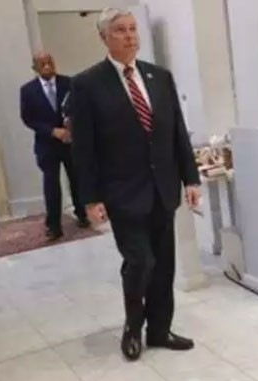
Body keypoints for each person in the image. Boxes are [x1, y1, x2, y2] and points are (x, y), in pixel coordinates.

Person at [70, 7, 201, 361]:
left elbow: (176, 132)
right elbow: (84, 149)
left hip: (163, 188)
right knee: (140, 261)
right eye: (120, 30)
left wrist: (190, 177)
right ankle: (133, 326)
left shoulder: (160, 77)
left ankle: (159, 330)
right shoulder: (87, 85)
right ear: (104, 37)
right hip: (122, 192)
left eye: (132, 29)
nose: (129, 36)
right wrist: (90, 198)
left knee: (164, 265)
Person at [20, 52, 89, 240]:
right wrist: (51, 131)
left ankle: (82, 214)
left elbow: (78, 107)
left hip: (69, 141)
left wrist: (71, 127)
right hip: (47, 145)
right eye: (42, 63)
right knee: (51, 185)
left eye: (50, 62)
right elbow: (28, 118)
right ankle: (53, 226)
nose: (47, 66)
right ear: (35, 68)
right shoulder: (28, 90)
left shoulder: (69, 83)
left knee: (76, 179)